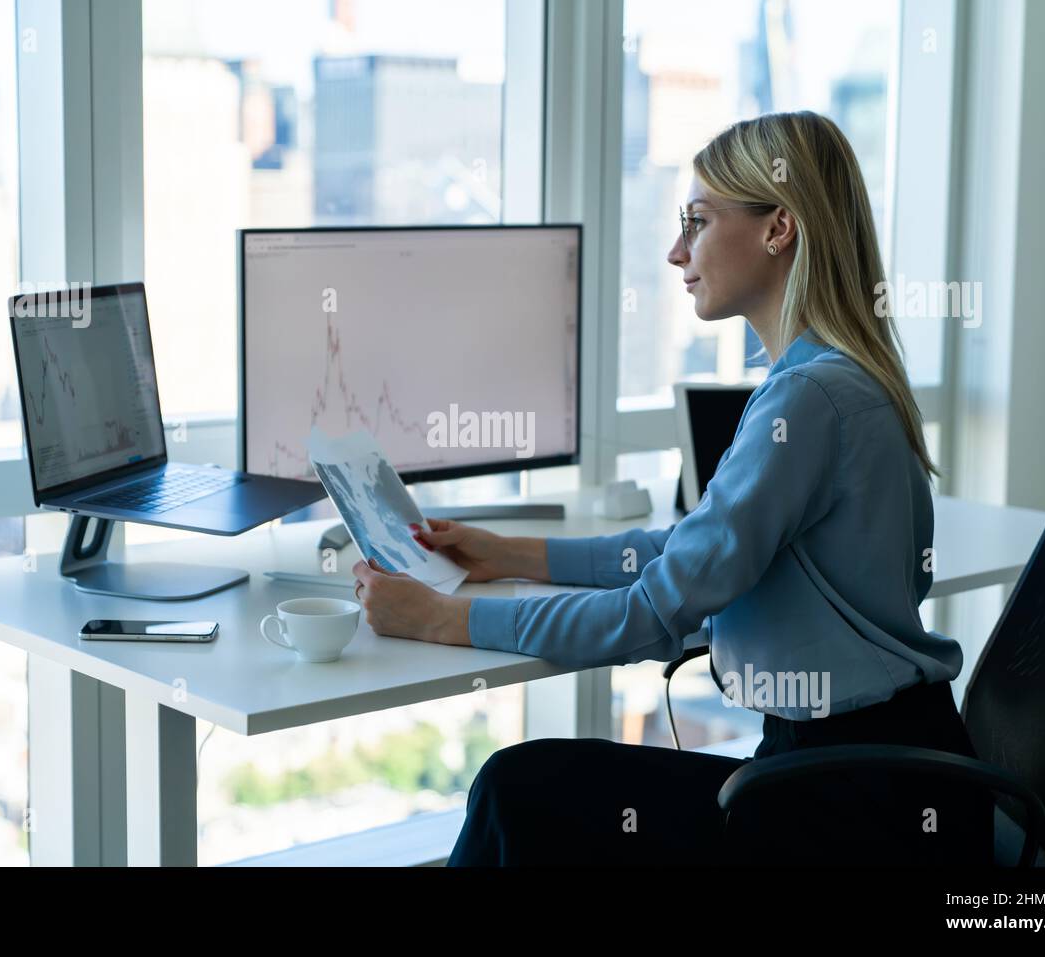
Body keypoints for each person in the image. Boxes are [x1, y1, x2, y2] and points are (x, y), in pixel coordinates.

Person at [351, 110, 995, 867]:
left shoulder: (808, 401)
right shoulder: (832, 380)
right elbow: (686, 550)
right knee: (539, 794)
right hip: (879, 776)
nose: (675, 251)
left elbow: (649, 613)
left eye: (697, 221)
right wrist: (510, 553)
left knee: (516, 790)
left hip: (855, 812)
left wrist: (442, 620)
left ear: (778, 227)